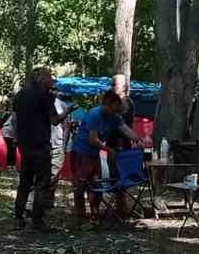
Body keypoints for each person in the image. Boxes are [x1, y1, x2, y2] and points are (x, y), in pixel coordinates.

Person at [69, 91, 134, 228]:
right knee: (80, 185)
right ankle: (80, 217)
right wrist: (108, 149)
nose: (116, 112)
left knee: (96, 183)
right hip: (81, 153)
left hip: (94, 154)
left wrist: (138, 139)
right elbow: (93, 139)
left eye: (118, 109)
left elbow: (125, 129)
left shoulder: (114, 116)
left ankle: (95, 214)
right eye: (114, 108)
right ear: (108, 105)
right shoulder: (94, 115)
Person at [13, 67, 63, 230]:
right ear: (41, 79)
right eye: (50, 77)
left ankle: (19, 217)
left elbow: (15, 117)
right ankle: (37, 220)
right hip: (40, 145)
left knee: (25, 181)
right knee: (43, 182)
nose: (52, 80)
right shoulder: (46, 96)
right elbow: (54, 120)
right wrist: (68, 111)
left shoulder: (21, 95)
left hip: (24, 145)